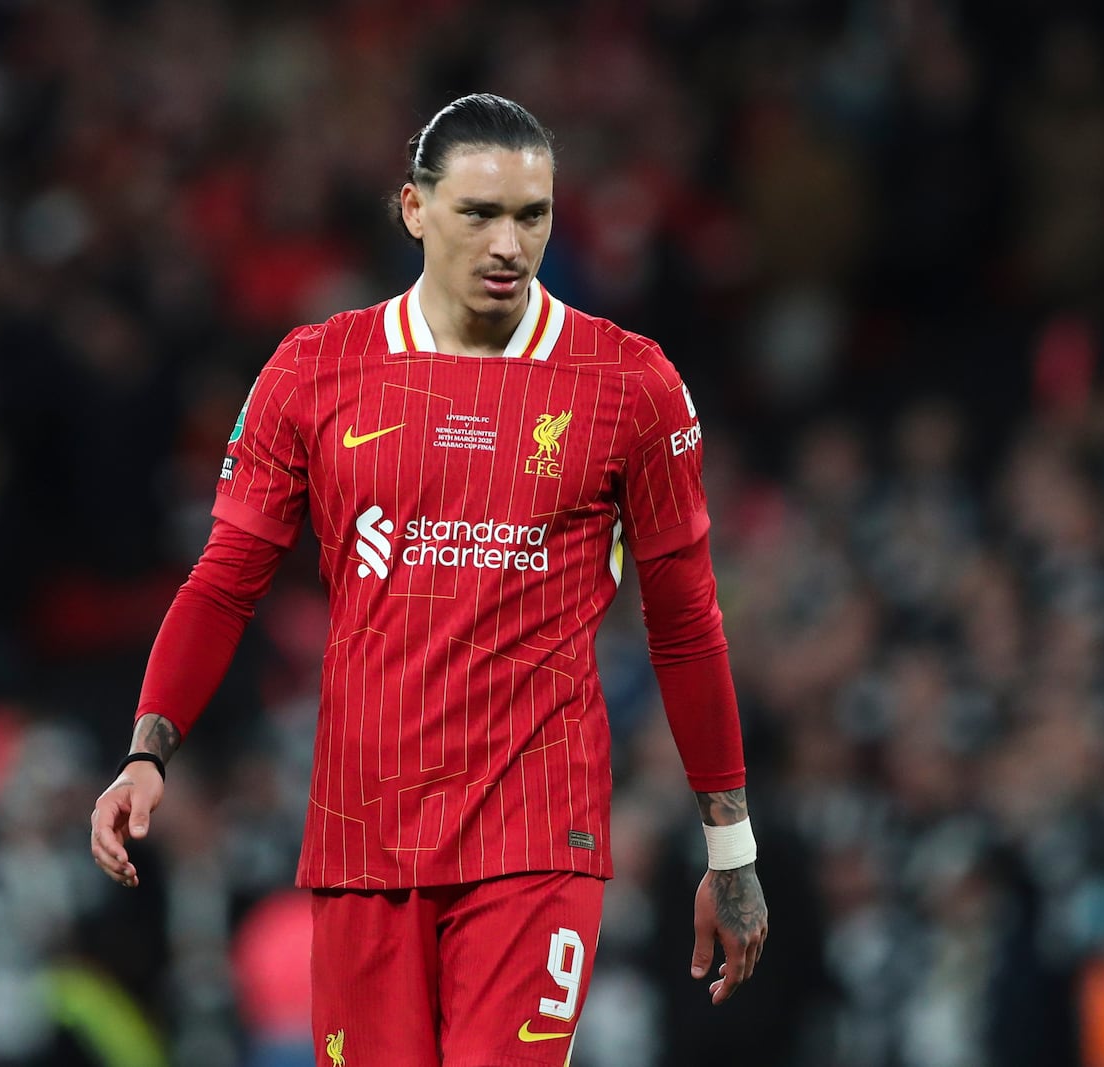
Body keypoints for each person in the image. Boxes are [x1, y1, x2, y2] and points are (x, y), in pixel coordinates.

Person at [89, 93, 767, 1067]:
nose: (508, 242)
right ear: (412, 207)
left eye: (530, 214)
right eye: (477, 212)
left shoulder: (628, 385)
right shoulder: (316, 370)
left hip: (537, 835)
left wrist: (732, 850)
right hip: (363, 835)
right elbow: (225, 577)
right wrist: (148, 749)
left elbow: (688, 624)